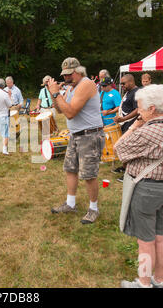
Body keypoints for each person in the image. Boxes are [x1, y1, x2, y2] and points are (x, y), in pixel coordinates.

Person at [114, 84, 163, 288]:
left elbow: (119, 149)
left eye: (140, 107)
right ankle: (159, 281)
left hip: (148, 191)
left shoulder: (147, 132)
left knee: (145, 241)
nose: (138, 111)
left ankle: (144, 283)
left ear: (152, 108)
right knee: (162, 237)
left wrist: (135, 126)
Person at [47, 57, 105, 225]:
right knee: (70, 169)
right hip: (75, 135)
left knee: (88, 174)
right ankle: (70, 204)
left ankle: (93, 208)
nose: (65, 78)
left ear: (79, 71)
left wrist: (57, 93)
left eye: (69, 74)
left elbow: (71, 112)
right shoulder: (71, 87)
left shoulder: (86, 84)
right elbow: (60, 109)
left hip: (90, 135)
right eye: (64, 75)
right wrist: (53, 93)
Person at [113, 74, 140, 180]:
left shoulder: (137, 92)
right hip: (125, 124)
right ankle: (125, 168)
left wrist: (124, 119)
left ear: (131, 82)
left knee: (130, 150)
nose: (122, 85)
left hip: (132, 125)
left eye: (123, 83)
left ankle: (130, 174)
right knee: (125, 148)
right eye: (121, 84)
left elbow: (137, 110)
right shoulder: (128, 92)